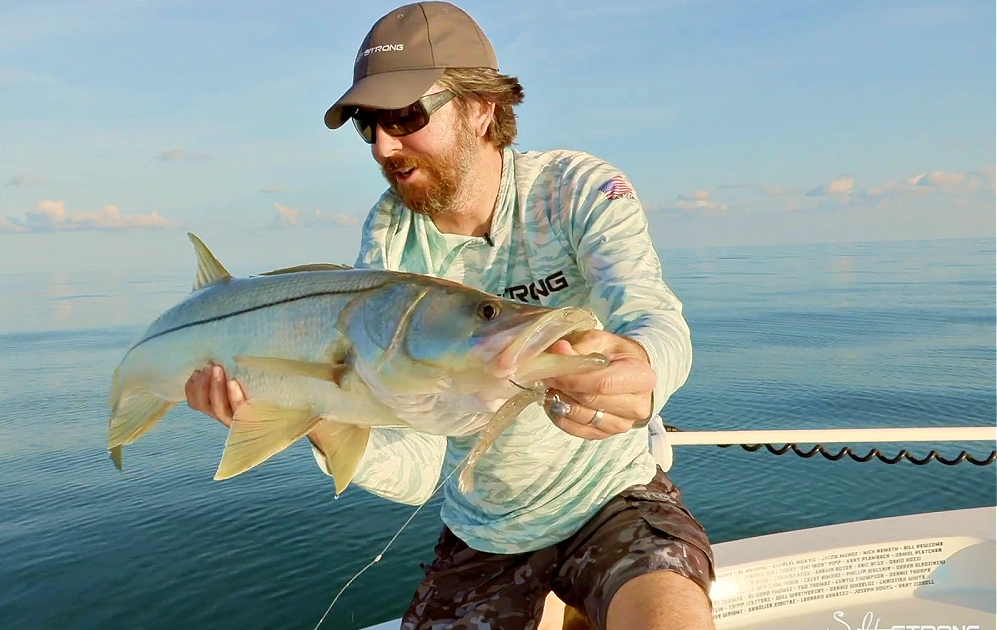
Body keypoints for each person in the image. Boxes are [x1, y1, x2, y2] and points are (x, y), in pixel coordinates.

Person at [187, 3, 716, 629]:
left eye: (407, 115)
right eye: (368, 125)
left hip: (615, 498)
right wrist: (309, 417)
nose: (385, 145)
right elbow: (413, 468)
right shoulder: (387, 241)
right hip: (483, 531)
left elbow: (652, 315)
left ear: (481, 106)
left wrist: (644, 371)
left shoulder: (576, 188)